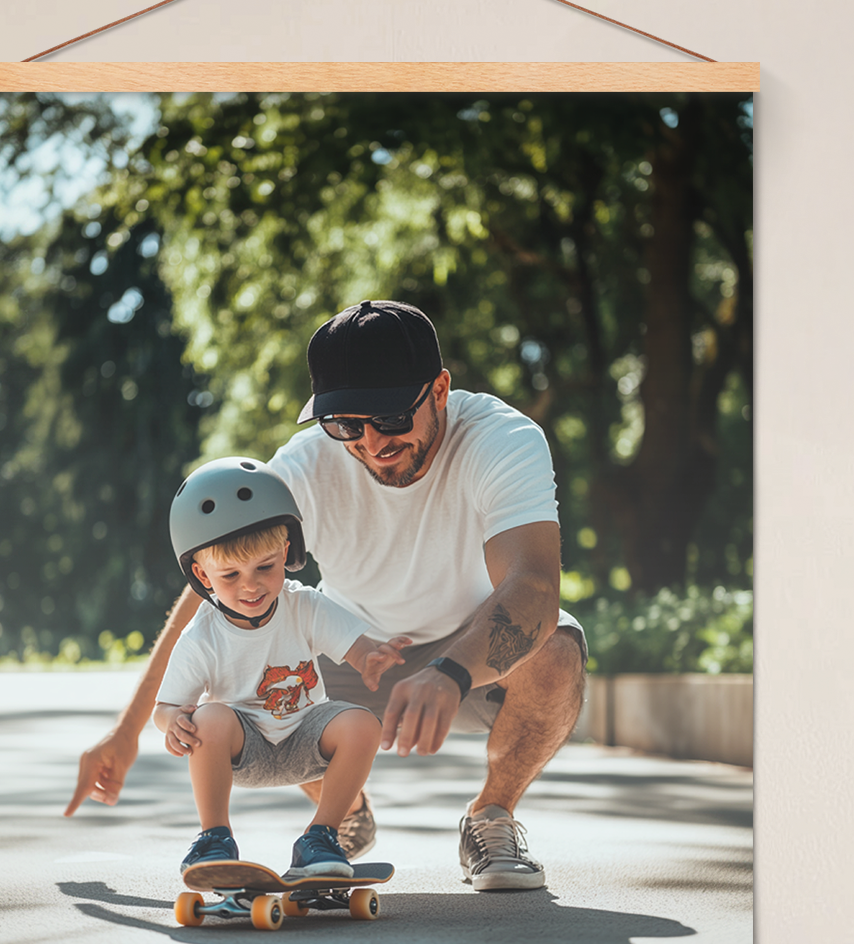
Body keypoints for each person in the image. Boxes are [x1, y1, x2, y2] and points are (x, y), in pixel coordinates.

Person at [66, 299, 588, 892]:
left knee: (556, 652)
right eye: (345, 425)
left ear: (439, 389)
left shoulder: (501, 439)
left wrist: (449, 671)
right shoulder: (304, 468)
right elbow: (212, 595)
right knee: (246, 654)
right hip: (347, 651)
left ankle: (491, 816)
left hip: (472, 652)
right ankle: (340, 818)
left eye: (391, 418)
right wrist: (127, 731)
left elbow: (535, 587)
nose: (370, 442)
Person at [155, 458, 406, 882]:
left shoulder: (303, 605)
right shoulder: (202, 635)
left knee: (363, 724)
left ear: (286, 553)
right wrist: (174, 722)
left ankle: (321, 837)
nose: (250, 586)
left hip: (306, 738)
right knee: (209, 716)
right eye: (230, 575)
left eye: (264, 568)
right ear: (202, 575)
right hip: (244, 747)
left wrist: (371, 658)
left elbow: (355, 646)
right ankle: (214, 838)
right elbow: (166, 706)